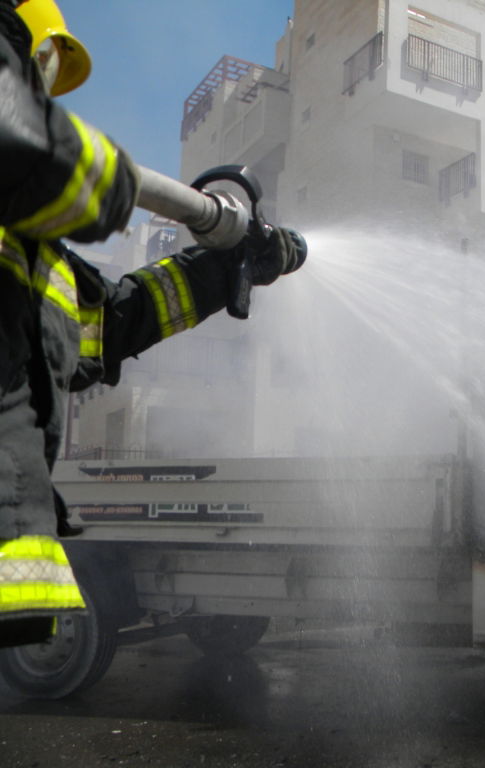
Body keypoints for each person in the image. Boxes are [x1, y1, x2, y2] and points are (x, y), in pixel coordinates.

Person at [0, 0, 303, 647]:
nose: (37, 99)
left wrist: (228, 266)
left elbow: (115, 322)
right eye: (34, 79)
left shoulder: (35, 267)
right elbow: (34, 158)